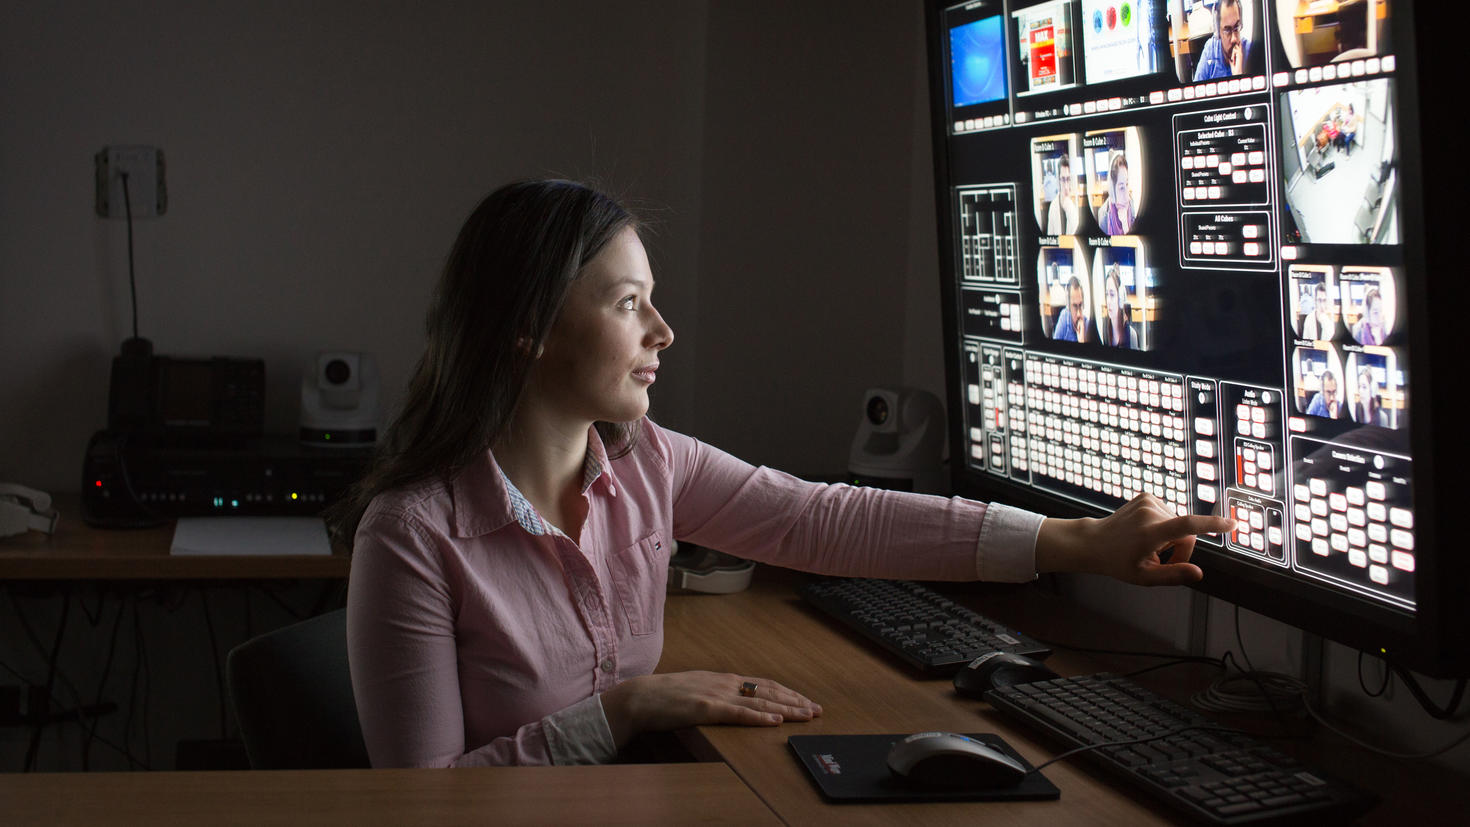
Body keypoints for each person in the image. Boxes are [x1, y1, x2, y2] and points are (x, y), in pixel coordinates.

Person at [331, 179, 1231, 768]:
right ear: (529, 330)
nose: (663, 333)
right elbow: (426, 803)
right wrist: (627, 708)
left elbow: (824, 519)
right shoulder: (413, 533)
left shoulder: (651, 463)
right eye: (628, 303)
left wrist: (1076, 540)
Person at [1193, 0, 1253, 82]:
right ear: (1218, 32)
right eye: (1227, 30)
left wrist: (1239, 76)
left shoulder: (1250, 51)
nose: (1234, 39)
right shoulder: (1210, 50)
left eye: (1236, 27)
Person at [1097, 266, 1135, 349]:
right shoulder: (1105, 325)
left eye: (1112, 295)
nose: (1108, 301)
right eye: (1107, 294)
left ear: (1120, 298)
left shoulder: (1128, 332)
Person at [1097, 154, 1135, 235]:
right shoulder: (1104, 216)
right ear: (1112, 190)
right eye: (1121, 188)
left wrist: (1125, 224)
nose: (1126, 196)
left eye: (1127, 184)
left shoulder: (1131, 206)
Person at [1046, 155, 1079, 235]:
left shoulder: (1077, 204)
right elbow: (1050, 241)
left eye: (1068, 179)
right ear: (1058, 179)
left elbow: (1077, 237)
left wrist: (1069, 208)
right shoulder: (1053, 206)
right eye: (1063, 180)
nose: (1066, 186)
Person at [1052, 275, 1089, 342]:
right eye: (1074, 306)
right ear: (1068, 307)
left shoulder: (1087, 325)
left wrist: (1081, 341)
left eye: (1080, 305)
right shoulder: (1064, 318)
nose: (1078, 314)